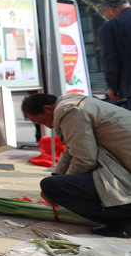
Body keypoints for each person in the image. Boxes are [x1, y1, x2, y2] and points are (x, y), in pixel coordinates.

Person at [22, 92, 131, 238]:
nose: (48, 126)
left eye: (43, 122)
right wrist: (57, 176)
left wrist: (58, 187)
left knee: (53, 187)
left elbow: (84, 159)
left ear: (48, 109)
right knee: (55, 183)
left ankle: (124, 222)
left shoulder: (70, 111)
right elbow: (72, 149)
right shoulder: (75, 103)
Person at [99, 0, 131, 111]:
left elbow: (110, 60)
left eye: (106, 14)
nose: (108, 18)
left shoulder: (111, 27)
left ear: (110, 9)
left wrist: (112, 87)